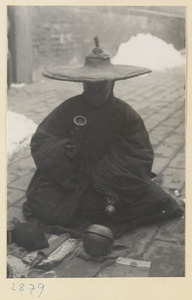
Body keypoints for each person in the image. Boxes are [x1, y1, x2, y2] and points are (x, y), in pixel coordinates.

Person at [23, 37, 183, 237]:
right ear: (83, 84)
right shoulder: (69, 108)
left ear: (113, 83)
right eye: (90, 87)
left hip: (111, 183)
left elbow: (138, 154)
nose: (96, 94)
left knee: (160, 201)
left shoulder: (126, 114)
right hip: (71, 178)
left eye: (102, 87)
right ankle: (97, 216)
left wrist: (105, 182)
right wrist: (64, 150)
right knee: (42, 201)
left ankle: (94, 213)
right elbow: (43, 139)